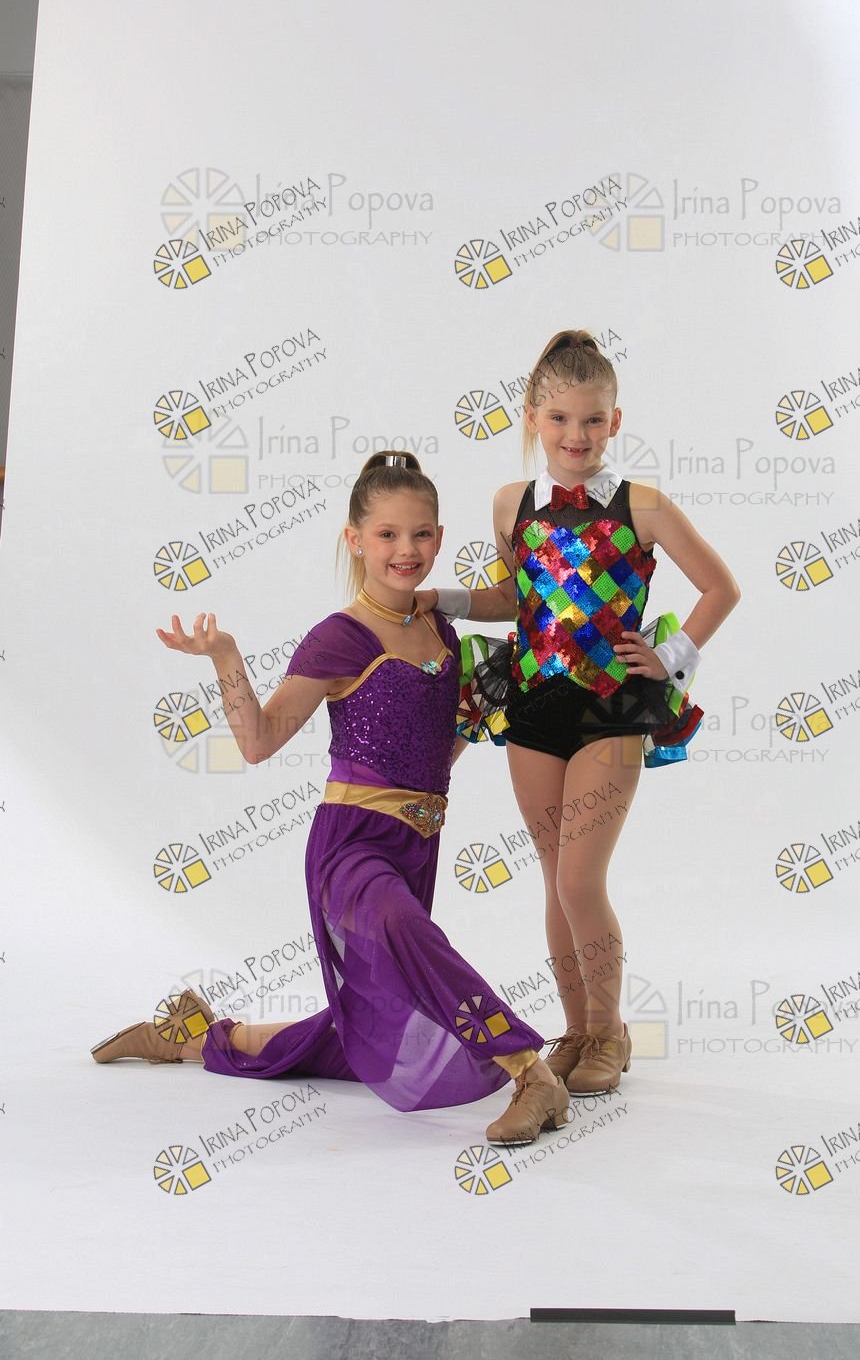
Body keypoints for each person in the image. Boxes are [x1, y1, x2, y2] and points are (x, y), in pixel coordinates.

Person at [91, 452, 569, 1146]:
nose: (406, 549)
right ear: (355, 539)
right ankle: (531, 1071)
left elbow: (431, 757)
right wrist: (226, 657)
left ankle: (196, 1035)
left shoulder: (441, 633)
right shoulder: (339, 637)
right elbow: (258, 742)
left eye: (422, 534)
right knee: (405, 933)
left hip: (418, 845)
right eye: (387, 534)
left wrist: (475, 715)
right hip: (351, 847)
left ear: (439, 537)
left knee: (371, 1034)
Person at [425, 331, 740, 1095]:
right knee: (551, 877)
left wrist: (669, 656)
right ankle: (574, 1029)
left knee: (579, 881)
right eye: (561, 418)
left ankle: (609, 1030)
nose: (577, 435)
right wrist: (440, 599)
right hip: (533, 706)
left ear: (615, 420)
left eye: (593, 419)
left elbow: (720, 588)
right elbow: (514, 598)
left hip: (611, 710)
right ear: (533, 417)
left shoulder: (643, 505)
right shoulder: (512, 503)